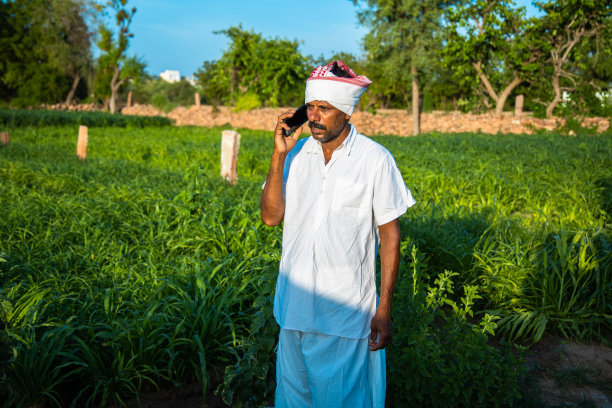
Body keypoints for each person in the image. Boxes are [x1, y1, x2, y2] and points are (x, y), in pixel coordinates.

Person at [260, 60, 416, 407]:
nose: (314, 116)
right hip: (293, 310)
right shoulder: (297, 154)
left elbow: (390, 238)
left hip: (344, 316)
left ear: (346, 113)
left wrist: (384, 308)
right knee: (293, 401)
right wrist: (278, 154)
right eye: (311, 107)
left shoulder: (375, 159)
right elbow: (271, 217)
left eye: (325, 109)